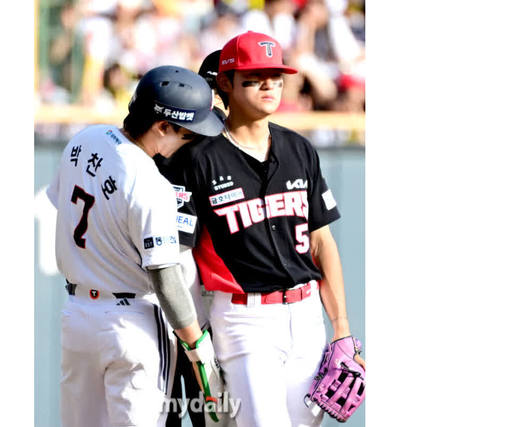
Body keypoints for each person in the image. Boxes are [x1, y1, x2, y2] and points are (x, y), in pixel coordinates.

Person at [162, 31, 365, 426]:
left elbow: (322, 243)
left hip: (307, 316)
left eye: (276, 75)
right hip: (244, 320)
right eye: (255, 77)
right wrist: (197, 336)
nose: (270, 84)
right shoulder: (196, 159)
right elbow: (181, 256)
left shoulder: (299, 149)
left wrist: (341, 327)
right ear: (225, 83)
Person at [46, 65, 224, 427]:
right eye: (188, 134)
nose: (190, 142)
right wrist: (197, 348)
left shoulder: (84, 139)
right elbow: (166, 280)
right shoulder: (151, 183)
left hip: (77, 315)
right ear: (162, 127)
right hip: (131, 323)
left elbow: (60, 202)